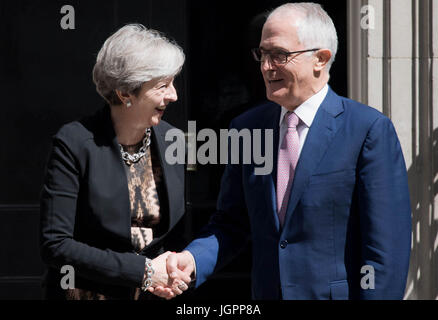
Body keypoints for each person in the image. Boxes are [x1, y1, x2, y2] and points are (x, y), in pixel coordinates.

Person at [154, 2, 412, 300]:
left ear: (321, 58)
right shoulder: (247, 127)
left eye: (279, 55)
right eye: (262, 54)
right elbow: (232, 223)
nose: (265, 66)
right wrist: (194, 259)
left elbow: (385, 252)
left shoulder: (368, 130)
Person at [40, 24, 190, 300]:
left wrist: (172, 272)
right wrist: (142, 271)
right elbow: (56, 245)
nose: (174, 95)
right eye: (162, 86)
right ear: (125, 93)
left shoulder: (172, 139)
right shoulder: (74, 143)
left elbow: (176, 235)